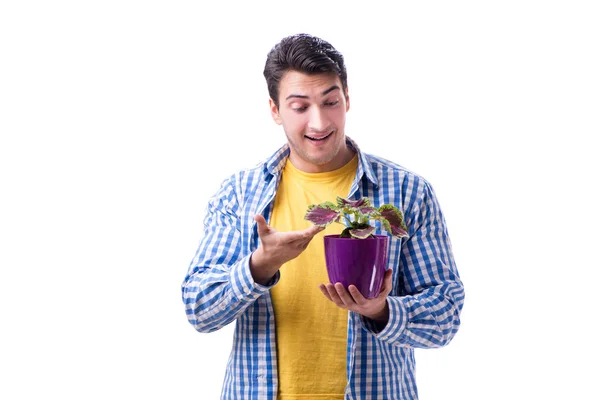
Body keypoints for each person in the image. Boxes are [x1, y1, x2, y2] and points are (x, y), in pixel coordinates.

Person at [182, 33, 465, 400]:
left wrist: (381, 310)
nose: (319, 122)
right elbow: (199, 309)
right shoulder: (239, 195)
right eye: (300, 107)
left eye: (330, 102)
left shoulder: (407, 193)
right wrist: (259, 266)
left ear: (347, 99)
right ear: (274, 110)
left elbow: (444, 315)